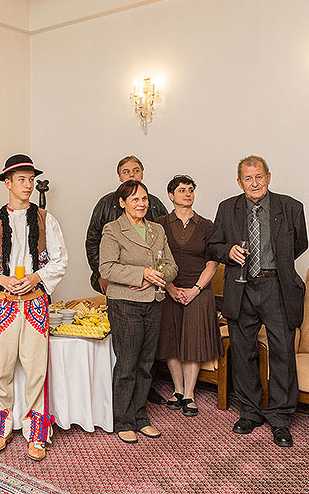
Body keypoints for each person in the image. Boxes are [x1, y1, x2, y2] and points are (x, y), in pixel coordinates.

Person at [0, 154, 68, 461]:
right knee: (1, 369)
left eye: (31, 179)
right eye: (22, 179)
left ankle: (36, 434)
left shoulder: (46, 218)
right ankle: (0, 429)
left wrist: (37, 277)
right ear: (8, 183)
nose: (28, 185)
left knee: (37, 369)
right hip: (3, 303)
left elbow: (60, 259)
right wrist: (2, 280)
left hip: (36, 301)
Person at [208, 155, 307, 448]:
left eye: (259, 177)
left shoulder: (290, 207)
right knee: (242, 351)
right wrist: (229, 252)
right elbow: (214, 245)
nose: (255, 183)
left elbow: (299, 244)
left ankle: (280, 417)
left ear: (269, 177)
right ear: (240, 182)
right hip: (241, 287)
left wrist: (275, 267)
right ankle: (250, 412)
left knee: (282, 352)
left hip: (277, 286)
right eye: (248, 179)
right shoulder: (227, 208)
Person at [99, 179, 178, 444]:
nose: (141, 204)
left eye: (144, 199)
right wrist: (141, 273)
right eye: (135, 199)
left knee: (146, 364)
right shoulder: (112, 230)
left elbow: (172, 267)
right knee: (127, 364)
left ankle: (140, 416)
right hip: (125, 303)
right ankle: (122, 420)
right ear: (122, 203)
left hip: (154, 301)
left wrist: (157, 276)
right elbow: (106, 269)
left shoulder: (157, 230)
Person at [85, 155, 168, 405]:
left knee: (145, 359)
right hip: (121, 292)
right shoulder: (106, 210)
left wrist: (157, 277)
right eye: (125, 171)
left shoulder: (155, 207)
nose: (131, 174)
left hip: (153, 295)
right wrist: (102, 275)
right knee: (127, 357)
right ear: (119, 178)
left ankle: (141, 402)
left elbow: (164, 254)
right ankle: (123, 412)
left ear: (142, 174)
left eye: (136, 170)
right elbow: (93, 242)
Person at [156, 175, 222, 417]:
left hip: (199, 290)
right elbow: (156, 260)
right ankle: (177, 389)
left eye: (191, 190)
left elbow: (212, 262)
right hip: (168, 287)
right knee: (171, 341)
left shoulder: (206, 225)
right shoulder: (160, 223)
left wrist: (195, 290)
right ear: (171, 196)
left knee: (193, 342)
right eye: (182, 190)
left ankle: (189, 395)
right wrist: (170, 288)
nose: (187, 194)